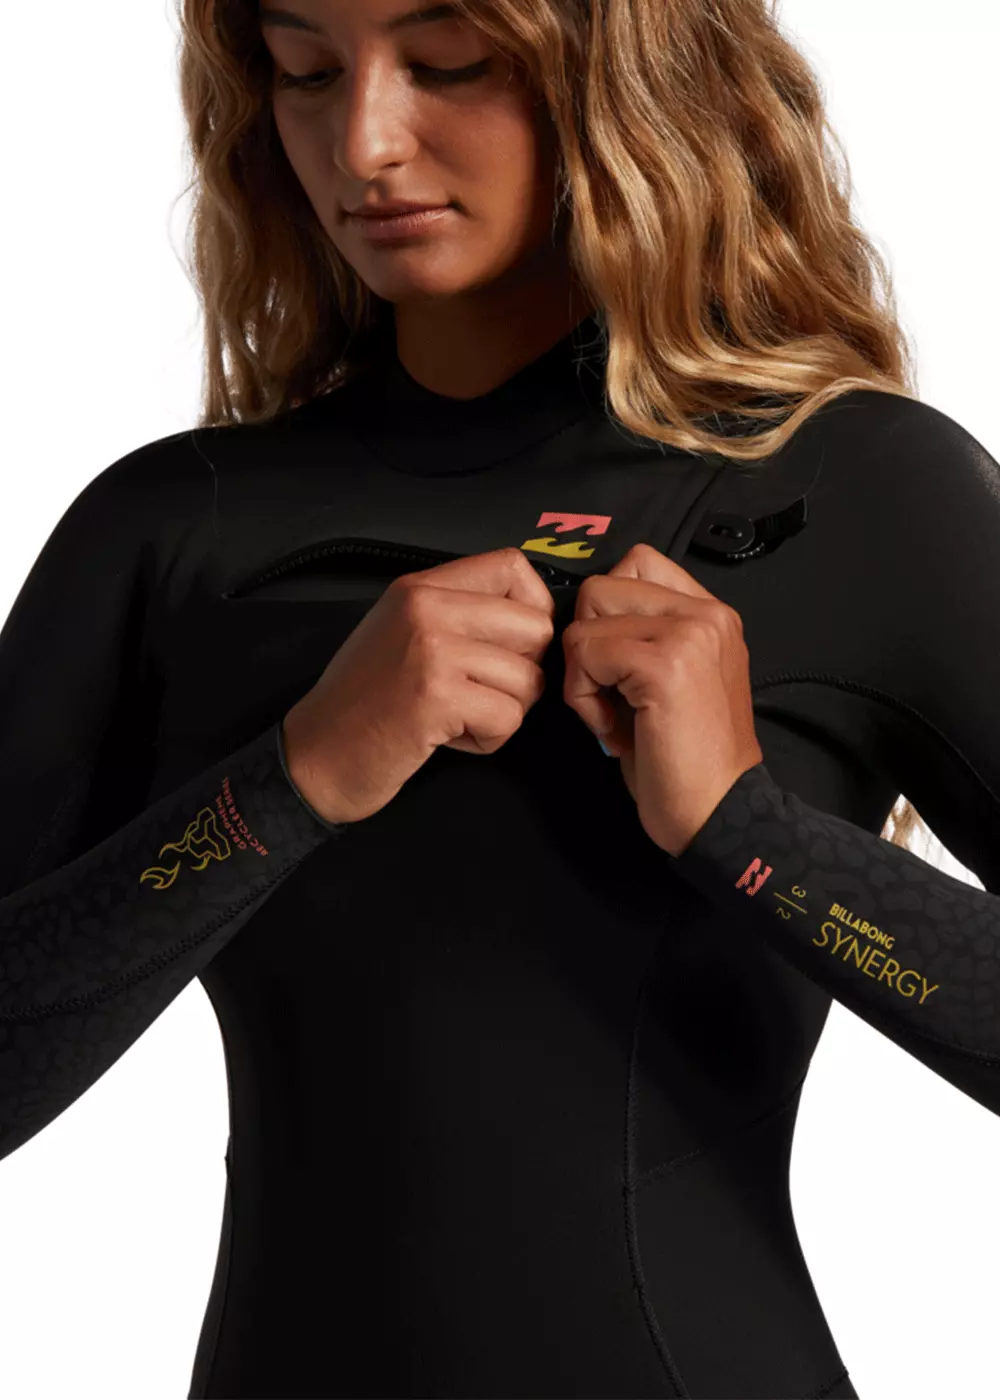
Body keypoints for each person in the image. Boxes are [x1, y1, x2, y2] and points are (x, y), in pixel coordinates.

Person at [1, 0, 998, 1395]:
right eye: (305, 71)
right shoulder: (173, 529)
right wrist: (292, 780)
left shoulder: (858, 494)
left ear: (628, 68)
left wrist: (747, 831)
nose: (363, 141)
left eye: (449, 63)